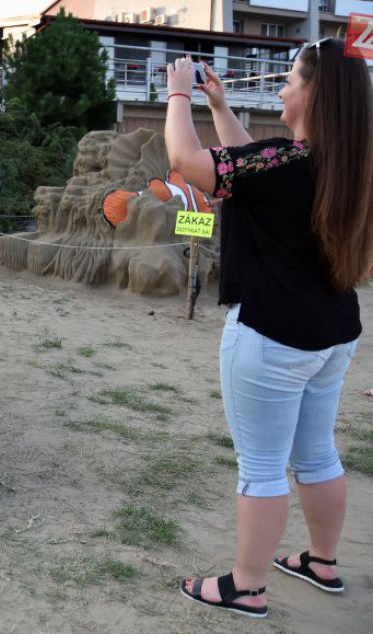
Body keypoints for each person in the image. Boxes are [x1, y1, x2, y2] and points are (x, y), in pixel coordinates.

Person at [165, 41, 372, 618]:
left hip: (272, 335)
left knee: (261, 468)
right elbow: (258, 169)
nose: (281, 89)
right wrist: (220, 107)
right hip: (332, 333)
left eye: (289, 79)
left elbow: (187, 161)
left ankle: (247, 586)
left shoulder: (286, 162)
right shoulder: (345, 163)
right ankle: (322, 561)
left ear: (314, 92)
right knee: (316, 454)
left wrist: (179, 91)